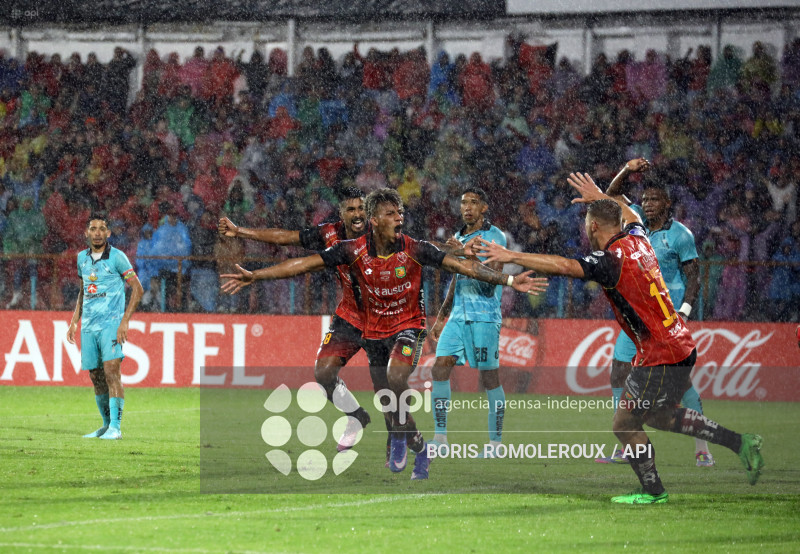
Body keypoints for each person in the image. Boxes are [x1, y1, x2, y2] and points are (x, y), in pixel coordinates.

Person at [473, 173, 763, 504]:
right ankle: (741, 443)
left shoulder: (610, 260)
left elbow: (564, 266)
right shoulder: (639, 240)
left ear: (594, 226)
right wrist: (600, 195)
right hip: (678, 342)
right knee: (660, 416)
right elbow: (634, 216)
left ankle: (653, 491)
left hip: (660, 352)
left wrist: (512, 256)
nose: (585, 229)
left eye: (587, 224)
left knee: (624, 424)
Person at [220, 188, 547, 480]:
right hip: (367, 326)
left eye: (400, 212)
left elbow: (460, 266)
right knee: (378, 395)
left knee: (395, 379)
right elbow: (305, 264)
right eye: (391, 214)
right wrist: (256, 276)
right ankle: (415, 444)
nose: (399, 218)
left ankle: (406, 439)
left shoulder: (414, 248)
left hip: (408, 326)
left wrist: (507, 281)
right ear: (375, 220)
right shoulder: (348, 248)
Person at [218, 187, 374, 453]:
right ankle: (356, 415)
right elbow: (288, 238)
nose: (357, 214)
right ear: (341, 213)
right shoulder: (329, 234)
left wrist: (458, 253)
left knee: (392, 381)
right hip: (350, 315)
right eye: (351, 209)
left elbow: (419, 249)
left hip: (385, 318)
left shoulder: (380, 235)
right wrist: (241, 231)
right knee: (324, 374)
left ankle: (405, 439)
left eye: (361, 209)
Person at [594, 158, 713, 467]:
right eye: (644, 199)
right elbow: (610, 196)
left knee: (681, 383)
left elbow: (695, 276)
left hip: (665, 321)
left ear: (667, 203)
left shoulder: (680, 235)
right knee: (618, 371)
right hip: (635, 318)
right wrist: (626, 170)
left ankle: (703, 447)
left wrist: (684, 312)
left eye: (654, 199)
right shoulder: (635, 227)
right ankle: (629, 442)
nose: (647, 204)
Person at [428, 187, 507, 456]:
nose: (467, 207)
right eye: (463, 203)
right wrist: (441, 317)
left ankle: (495, 443)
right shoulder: (459, 238)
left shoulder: (494, 237)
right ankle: (440, 438)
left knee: (489, 379)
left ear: (484, 207)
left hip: (484, 317)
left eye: (474, 202)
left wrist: (462, 254)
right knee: (439, 368)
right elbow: (456, 278)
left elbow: (491, 279)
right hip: (458, 318)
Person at [67, 214, 144, 440]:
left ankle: (116, 428)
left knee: (112, 371)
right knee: (95, 375)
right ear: (87, 233)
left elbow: (137, 289)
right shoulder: (81, 258)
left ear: (108, 233)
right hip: (89, 326)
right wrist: (74, 321)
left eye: (102, 229)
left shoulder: (118, 257)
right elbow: (83, 291)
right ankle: (105, 425)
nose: (98, 232)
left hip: (111, 324)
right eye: (93, 229)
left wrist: (124, 321)